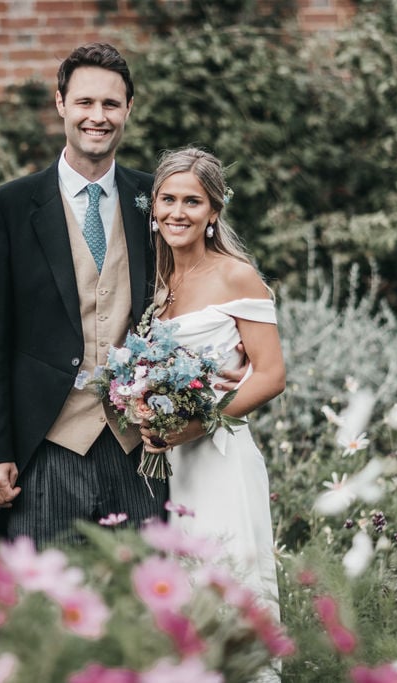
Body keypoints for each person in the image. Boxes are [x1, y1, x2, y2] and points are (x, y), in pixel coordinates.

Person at [0, 44, 241, 546]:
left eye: (111, 105)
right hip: (45, 446)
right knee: (44, 609)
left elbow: (198, 287)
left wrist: (227, 353)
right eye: (85, 103)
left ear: (129, 110)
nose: (98, 117)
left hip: (139, 449)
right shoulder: (7, 207)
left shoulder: (156, 201)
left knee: (142, 610)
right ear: (61, 105)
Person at [139, 147, 286, 651]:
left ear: (213, 212)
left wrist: (197, 424)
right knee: (183, 605)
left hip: (220, 458)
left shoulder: (235, 274)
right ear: (152, 207)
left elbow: (269, 375)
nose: (177, 212)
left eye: (192, 202)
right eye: (167, 199)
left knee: (229, 593)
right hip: (168, 466)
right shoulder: (157, 281)